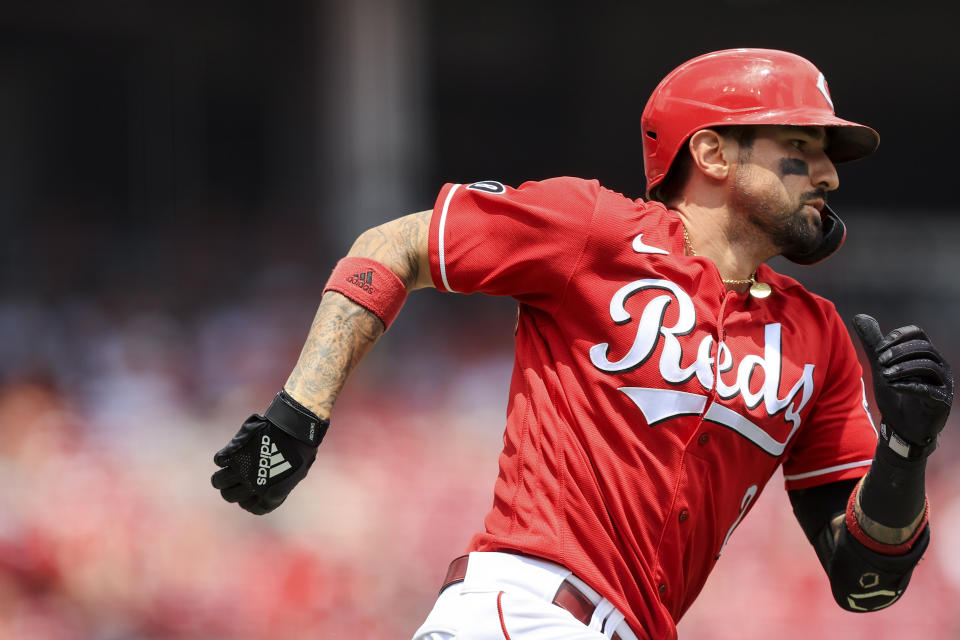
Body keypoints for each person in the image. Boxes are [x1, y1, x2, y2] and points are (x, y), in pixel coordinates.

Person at [210, 49, 953, 640]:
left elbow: (865, 583)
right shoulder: (594, 230)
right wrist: (297, 416)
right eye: (800, 146)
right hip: (524, 612)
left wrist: (905, 453)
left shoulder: (816, 334)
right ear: (714, 155)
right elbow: (396, 245)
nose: (826, 172)